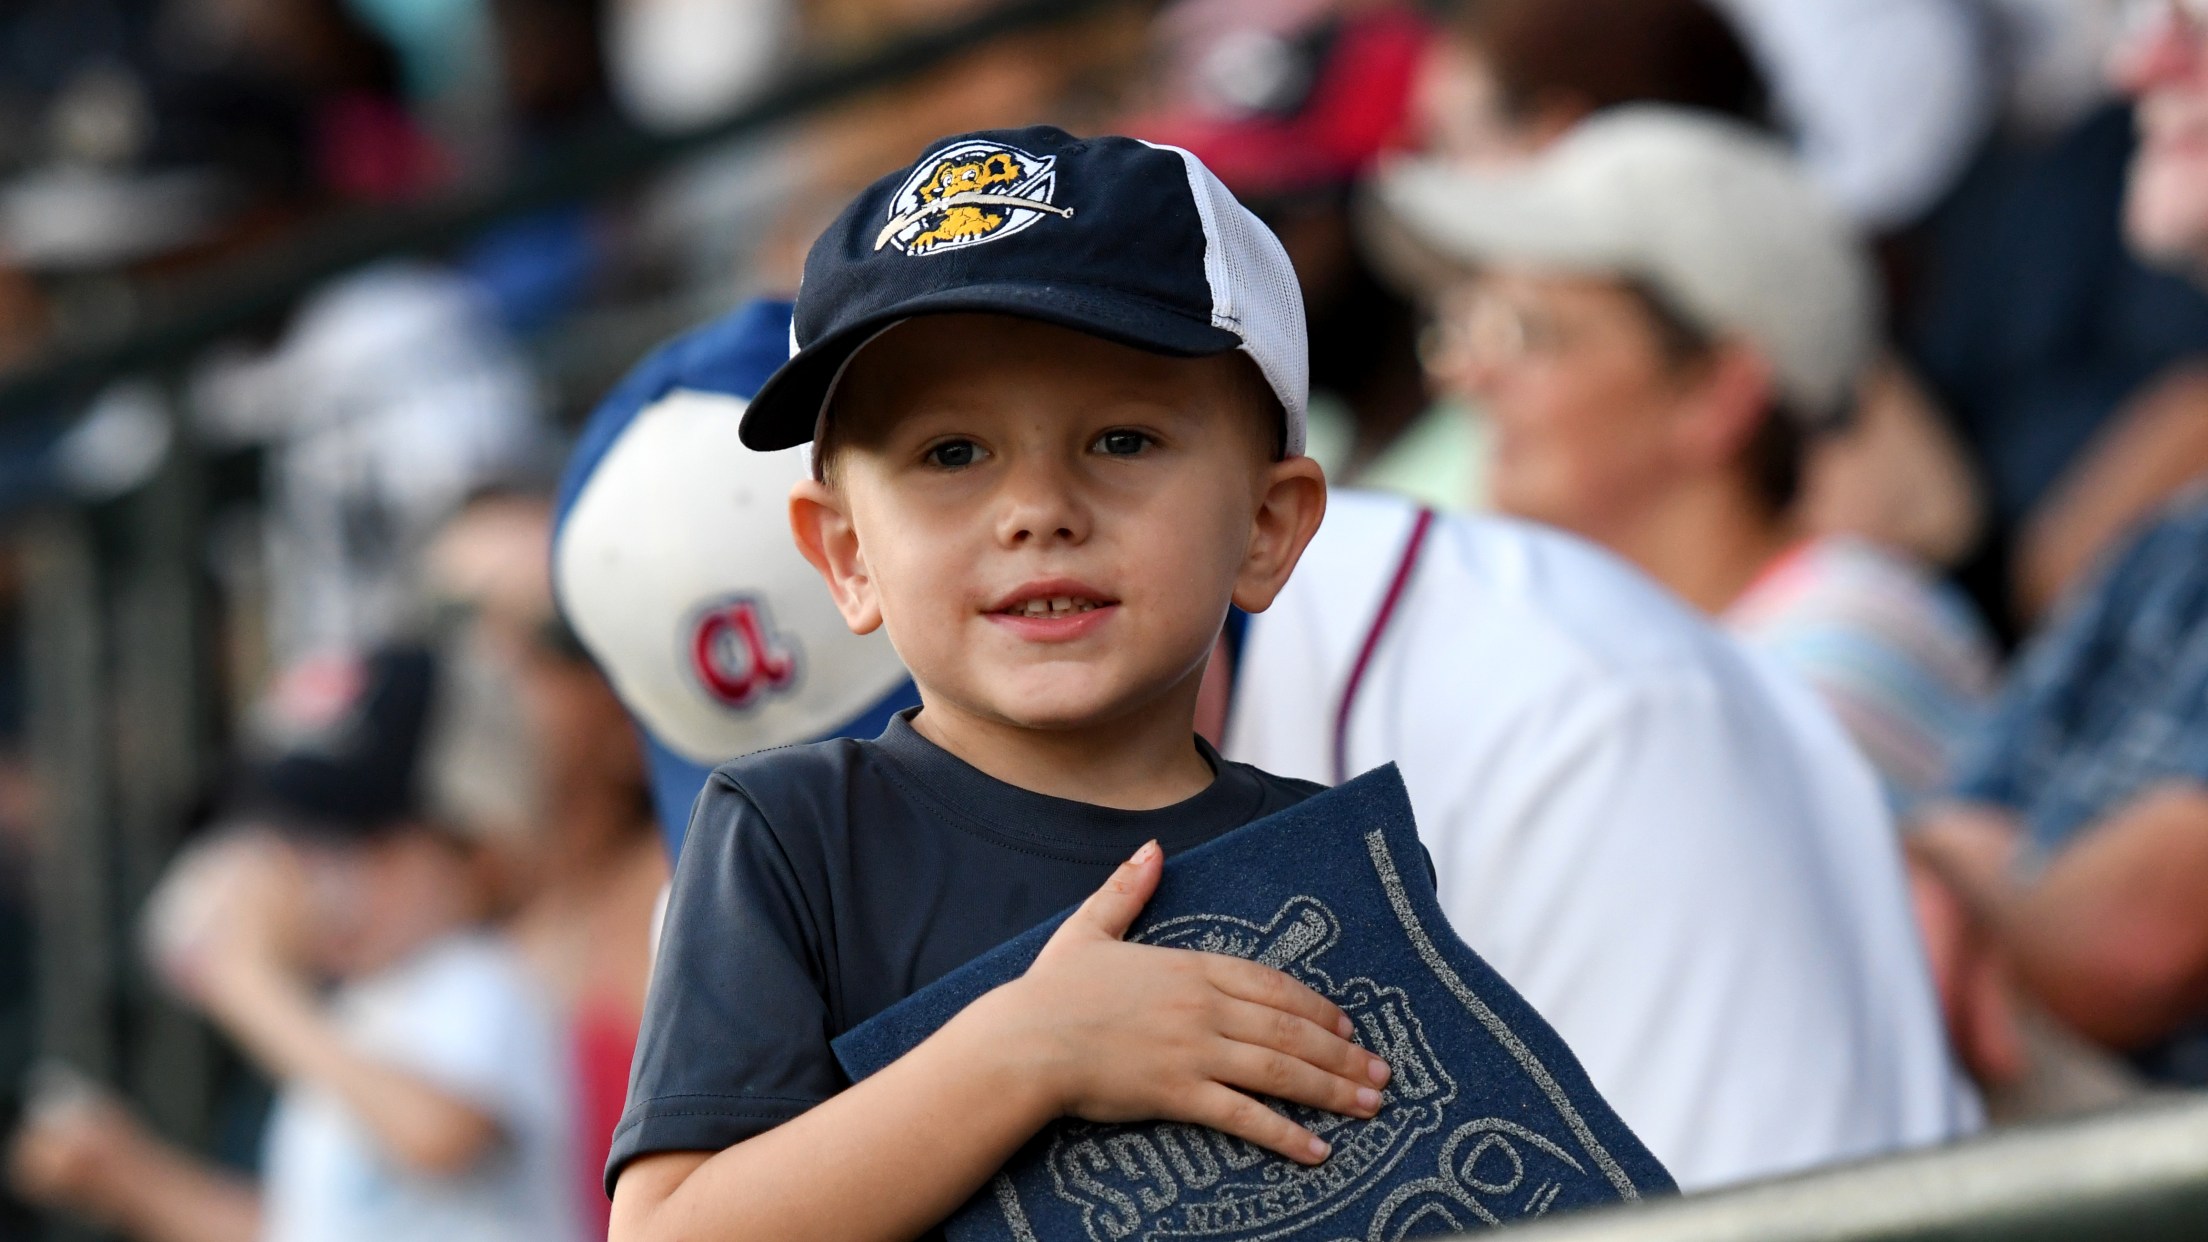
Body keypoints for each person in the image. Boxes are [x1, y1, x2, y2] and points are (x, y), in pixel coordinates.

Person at [606, 127, 1399, 1242]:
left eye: (1122, 439)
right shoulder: (795, 835)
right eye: (951, 454)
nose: (1037, 509)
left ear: (1269, 527)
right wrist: (1032, 1049)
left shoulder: (1327, 858)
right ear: (847, 557)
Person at [1376, 105, 1998, 814]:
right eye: (1464, 328)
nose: (1462, 376)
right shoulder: (1656, 651)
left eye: (1525, 334)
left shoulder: (1840, 651)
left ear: (1716, 394)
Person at [7, 645, 583, 1242]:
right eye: (287, 840)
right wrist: (134, 1181)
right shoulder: (352, 1022)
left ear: (478, 849)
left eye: (352, 837)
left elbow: (440, 1137)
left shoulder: (478, 978)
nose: (313, 875)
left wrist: (251, 984)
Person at [1911, 0, 2208, 1096]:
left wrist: (1957, 881)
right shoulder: (2172, 538)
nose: (2142, 62)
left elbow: (2136, 944)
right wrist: (1953, 873)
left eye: (2197, 18)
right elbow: (1945, 836)